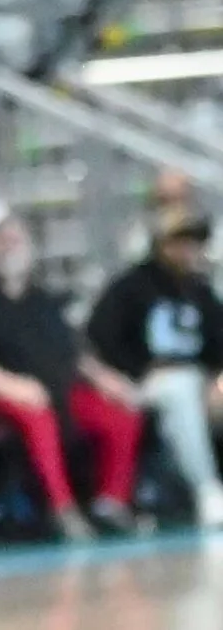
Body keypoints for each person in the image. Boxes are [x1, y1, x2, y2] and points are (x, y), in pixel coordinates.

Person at [0, 207, 141, 541]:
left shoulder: (42, 300)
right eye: (1, 238)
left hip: (55, 387)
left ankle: (111, 502)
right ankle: (62, 509)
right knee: (36, 410)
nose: (10, 245)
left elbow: (73, 353)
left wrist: (105, 378)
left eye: (16, 238)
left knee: (119, 412)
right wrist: (10, 385)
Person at [87, 203, 223, 528]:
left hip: (199, 381)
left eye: (192, 242)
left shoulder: (200, 290)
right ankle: (206, 489)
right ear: (160, 243)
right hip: (145, 381)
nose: (187, 249)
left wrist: (216, 379)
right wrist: (136, 371)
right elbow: (102, 339)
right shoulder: (129, 287)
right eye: (179, 241)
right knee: (179, 390)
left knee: (192, 390)